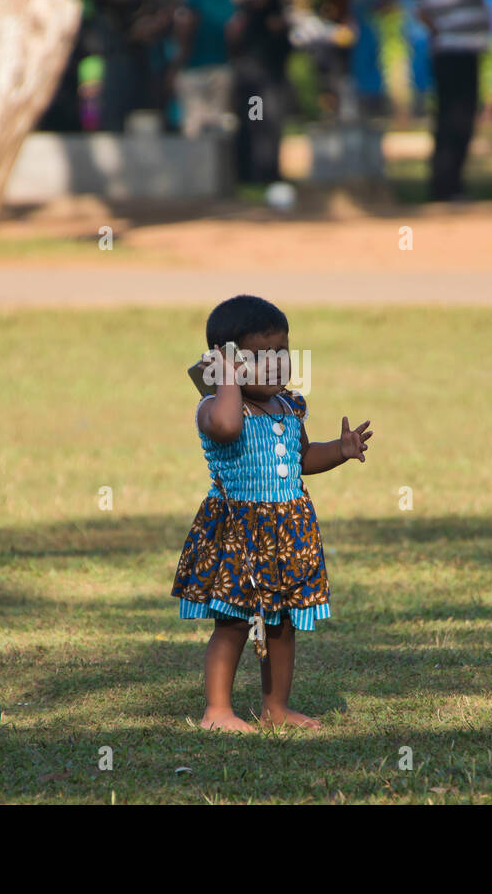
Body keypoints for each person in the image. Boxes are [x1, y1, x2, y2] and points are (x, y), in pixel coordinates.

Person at [171, 295, 372, 732]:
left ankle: (275, 707)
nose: (277, 363)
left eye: (282, 351)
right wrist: (224, 379)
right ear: (225, 361)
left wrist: (338, 450)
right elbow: (228, 427)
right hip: (240, 534)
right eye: (261, 356)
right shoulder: (217, 409)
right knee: (234, 622)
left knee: (281, 625)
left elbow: (301, 458)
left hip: (288, 532)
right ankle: (217, 711)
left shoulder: (288, 406)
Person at [415, 0, 492, 201]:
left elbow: (421, 12)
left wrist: (440, 29)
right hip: (465, 48)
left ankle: (441, 183)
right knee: (461, 117)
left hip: (441, 48)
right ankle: (452, 185)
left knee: (444, 115)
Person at [228, 0, 292, 184]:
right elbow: (235, 45)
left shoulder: (277, 18)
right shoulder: (247, 18)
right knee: (255, 125)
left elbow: (285, 51)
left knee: (268, 128)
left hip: (270, 86)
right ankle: (252, 175)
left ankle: (267, 174)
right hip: (254, 88)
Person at [171, 0, 236, 137]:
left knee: (193, 124)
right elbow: (233, 31)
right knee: (218, 123)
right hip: (221, 64)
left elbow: (184, 27)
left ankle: (196, 166)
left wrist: (180, 58)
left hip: (194, 66)